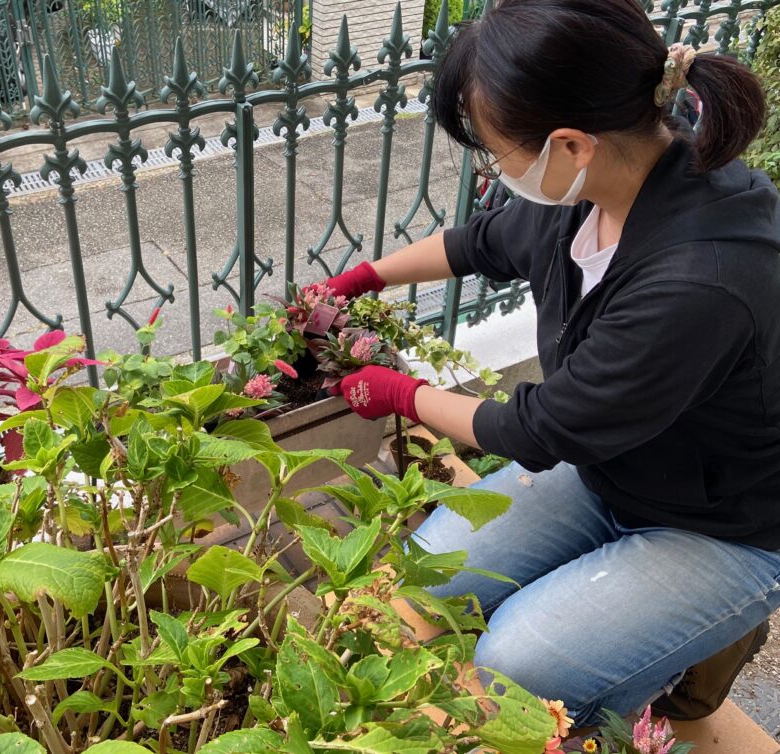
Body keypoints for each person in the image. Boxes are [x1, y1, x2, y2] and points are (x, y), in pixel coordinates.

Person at [320, 0, 780, 729]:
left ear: (569, 144)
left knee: (518, 665)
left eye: (496, 151)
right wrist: (363, 278)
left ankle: (695, 646)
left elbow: (539, 431)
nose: (496, 169)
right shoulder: (597, 188)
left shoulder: (701, 280)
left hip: (724, 522)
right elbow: (480, 244)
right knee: (426, 575)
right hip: (615, 465)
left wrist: (401, 394)